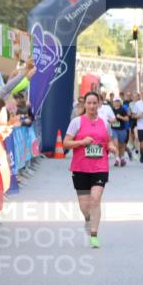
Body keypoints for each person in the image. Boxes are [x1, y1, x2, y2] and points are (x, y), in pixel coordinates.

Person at [62, 92, 116, 248]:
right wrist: (81, 142)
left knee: (95, 199)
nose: (92, 106)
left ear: (99, 104)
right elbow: (65, 143)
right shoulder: (76, 122)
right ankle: (88, 219)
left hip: (100, 166)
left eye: (94, 103)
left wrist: (111, 147)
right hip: (81, 167)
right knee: (85, 206)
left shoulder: (105, 123)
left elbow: (109, 141)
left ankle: (94, 235)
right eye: (89, 103)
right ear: (84, 104)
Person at [109, 97, 130, 166]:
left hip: (122, 129)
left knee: (122, 144)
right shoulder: (111, 110)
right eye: (115, 101)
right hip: (113, 129)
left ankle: (122, 158)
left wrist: (120, 117)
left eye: (118, 101)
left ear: (120, 102)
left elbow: (127, 119)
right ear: (113, 102)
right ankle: (117, 159)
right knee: (116, 144)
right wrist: (111, 120)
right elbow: (108, 118)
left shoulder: (123, 109)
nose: (116, 103)